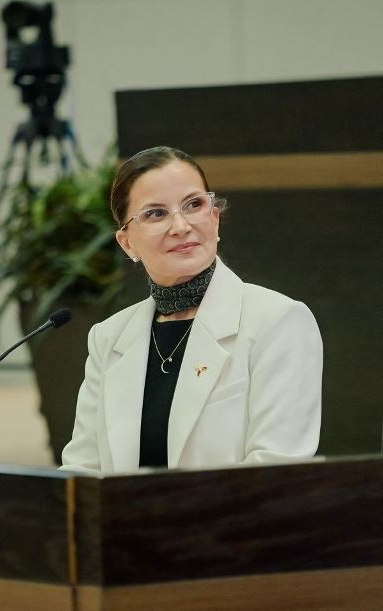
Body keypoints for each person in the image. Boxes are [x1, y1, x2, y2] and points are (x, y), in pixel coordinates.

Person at [60, 146, 323, 473]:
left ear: (215, 218)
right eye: (156, 214)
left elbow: (278, 469)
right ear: (127, 243)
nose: (181, 226)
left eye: (194, 205)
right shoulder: (108, 337)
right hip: (125, 510)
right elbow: (83, 471)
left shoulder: (277, 321)